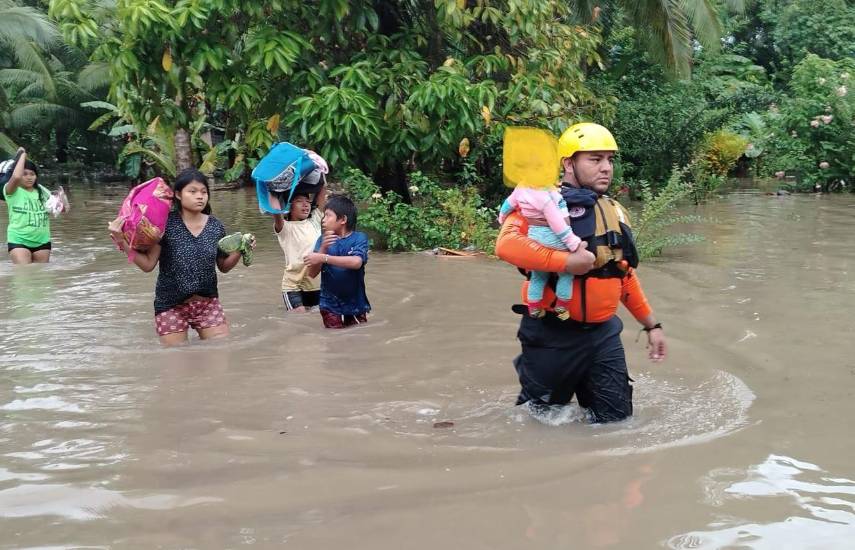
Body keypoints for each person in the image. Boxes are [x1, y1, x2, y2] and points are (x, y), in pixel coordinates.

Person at [495, 122, 667, 423]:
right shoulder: (538, 200)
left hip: (603, 336)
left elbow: (622, 274)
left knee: (617, 423)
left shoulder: (613, 210)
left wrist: (652, 326)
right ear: (568, 163)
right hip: (551, 334)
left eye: (610, 160)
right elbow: (506, 245)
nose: (606, 168)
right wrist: (564, 262)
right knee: (543, 423)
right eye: (595, 159)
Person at [108, 168, 254, 346]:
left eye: (203, 192)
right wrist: (122, 242)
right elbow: (148, 265)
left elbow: (223, 266)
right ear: (178, 194)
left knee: (220, 353)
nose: (200, 196)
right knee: (177, 361)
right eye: (192, 191)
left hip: (207, 303)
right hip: (170, 305)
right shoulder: (164, 226)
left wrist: (240, 249)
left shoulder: (216, 226)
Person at [498, 184, 582, 320]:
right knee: (566, 275)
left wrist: (501, 218)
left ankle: (534, 308)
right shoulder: (544, 194)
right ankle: (562, 308)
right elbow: (558, 224)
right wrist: (573, 243)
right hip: (553, 237)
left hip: (534, 237)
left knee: (538, 277)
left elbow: (507, 205)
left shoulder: (521, 188)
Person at [303, 195, 370, 329]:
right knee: (335, 339)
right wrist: (322, 249)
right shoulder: (322, 240)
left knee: (359, 337)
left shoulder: (359, 238)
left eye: (328, 216)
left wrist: (323, 257)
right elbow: (312, 274)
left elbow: (356, 262)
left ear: (343, 219)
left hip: (355, 302)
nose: (323, 220)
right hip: (329, 303)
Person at [273, 184, 327, 312]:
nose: (305, 204)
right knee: (298, 320)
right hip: (293, 286)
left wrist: (321, 170)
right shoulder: (285, 228)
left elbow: (321, 191)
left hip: (316, 285)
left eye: (307, 201)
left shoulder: (314, 220)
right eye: (299, 201)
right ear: (289, 207)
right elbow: (275, 212)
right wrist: (272, 190)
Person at [3, 148, 51, 264]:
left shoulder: (43, 191)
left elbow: (62, 210)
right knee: (23, 275)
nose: (29, 177)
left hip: (42, 241)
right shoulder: (11, 190)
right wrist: (22, 155)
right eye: (25, 174)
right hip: (19, 239)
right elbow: (16, 177)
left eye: (32, 174)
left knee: (41, 276)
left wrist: (63, 200)